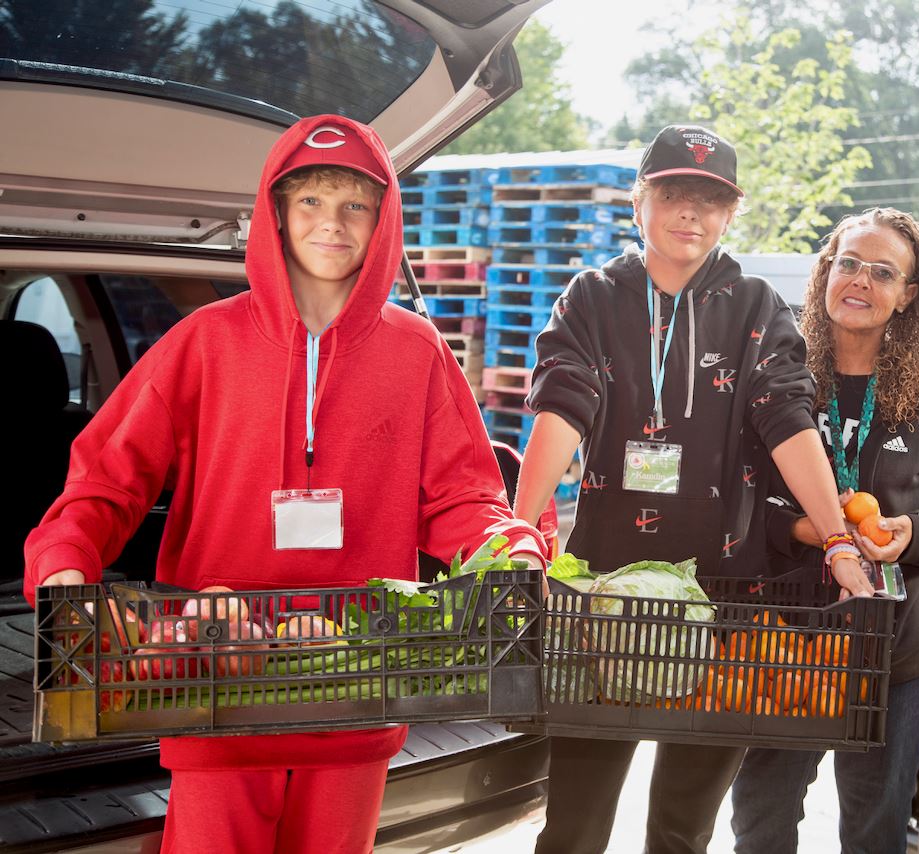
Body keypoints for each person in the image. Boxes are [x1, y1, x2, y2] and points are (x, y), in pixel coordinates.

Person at [23, 114, 545, 853]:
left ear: (382, 218)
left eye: (353, 204)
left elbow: (464, 497)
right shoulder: (205, 341)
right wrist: (66, 566)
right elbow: (106, 480)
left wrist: (510, 552)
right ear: (275, 211)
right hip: (210, 682)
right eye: (310, 201)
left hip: (360, 687)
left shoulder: (416, 350)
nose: (331, 223)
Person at [511, 125, 871, 854]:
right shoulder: (593, 297)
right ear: (639, 202)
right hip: (603, 601)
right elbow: (562, 407)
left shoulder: (756, 308)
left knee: (682, 830)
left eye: (710, 200)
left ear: (730, 213)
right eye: (674, 193)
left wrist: (837, 538)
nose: (691, 214)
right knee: (574, 826)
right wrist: (520, 532)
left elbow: (789, 422)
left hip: (727, 603)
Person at [729, 207, 919, 854]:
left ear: (908, 296)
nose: (860, 280)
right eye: (848, 262)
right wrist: (807, 528)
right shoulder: (772, 376)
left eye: (883, 272)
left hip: (901, 654)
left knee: (876, 829)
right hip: (785, 645)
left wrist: (915, 533)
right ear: (825, 272)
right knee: (761, 820)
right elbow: (734, 495)